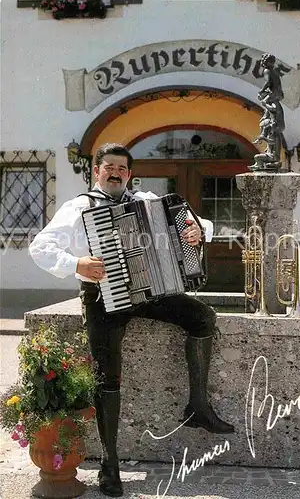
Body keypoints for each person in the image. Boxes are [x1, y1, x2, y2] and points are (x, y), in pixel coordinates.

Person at [29, 143, 234, 498]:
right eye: (109, 167)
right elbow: (40, 246)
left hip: (149, 292)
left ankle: (198, 404)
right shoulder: (78, 207)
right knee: (107, 378)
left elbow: (196, 222)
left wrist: (198, 232)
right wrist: (77, 265)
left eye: (122, 168)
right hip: (103, 299)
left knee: (203, 317)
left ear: (128, 173)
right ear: (96, 170)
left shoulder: (146, 200)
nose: (115, 173)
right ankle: (110, 466)